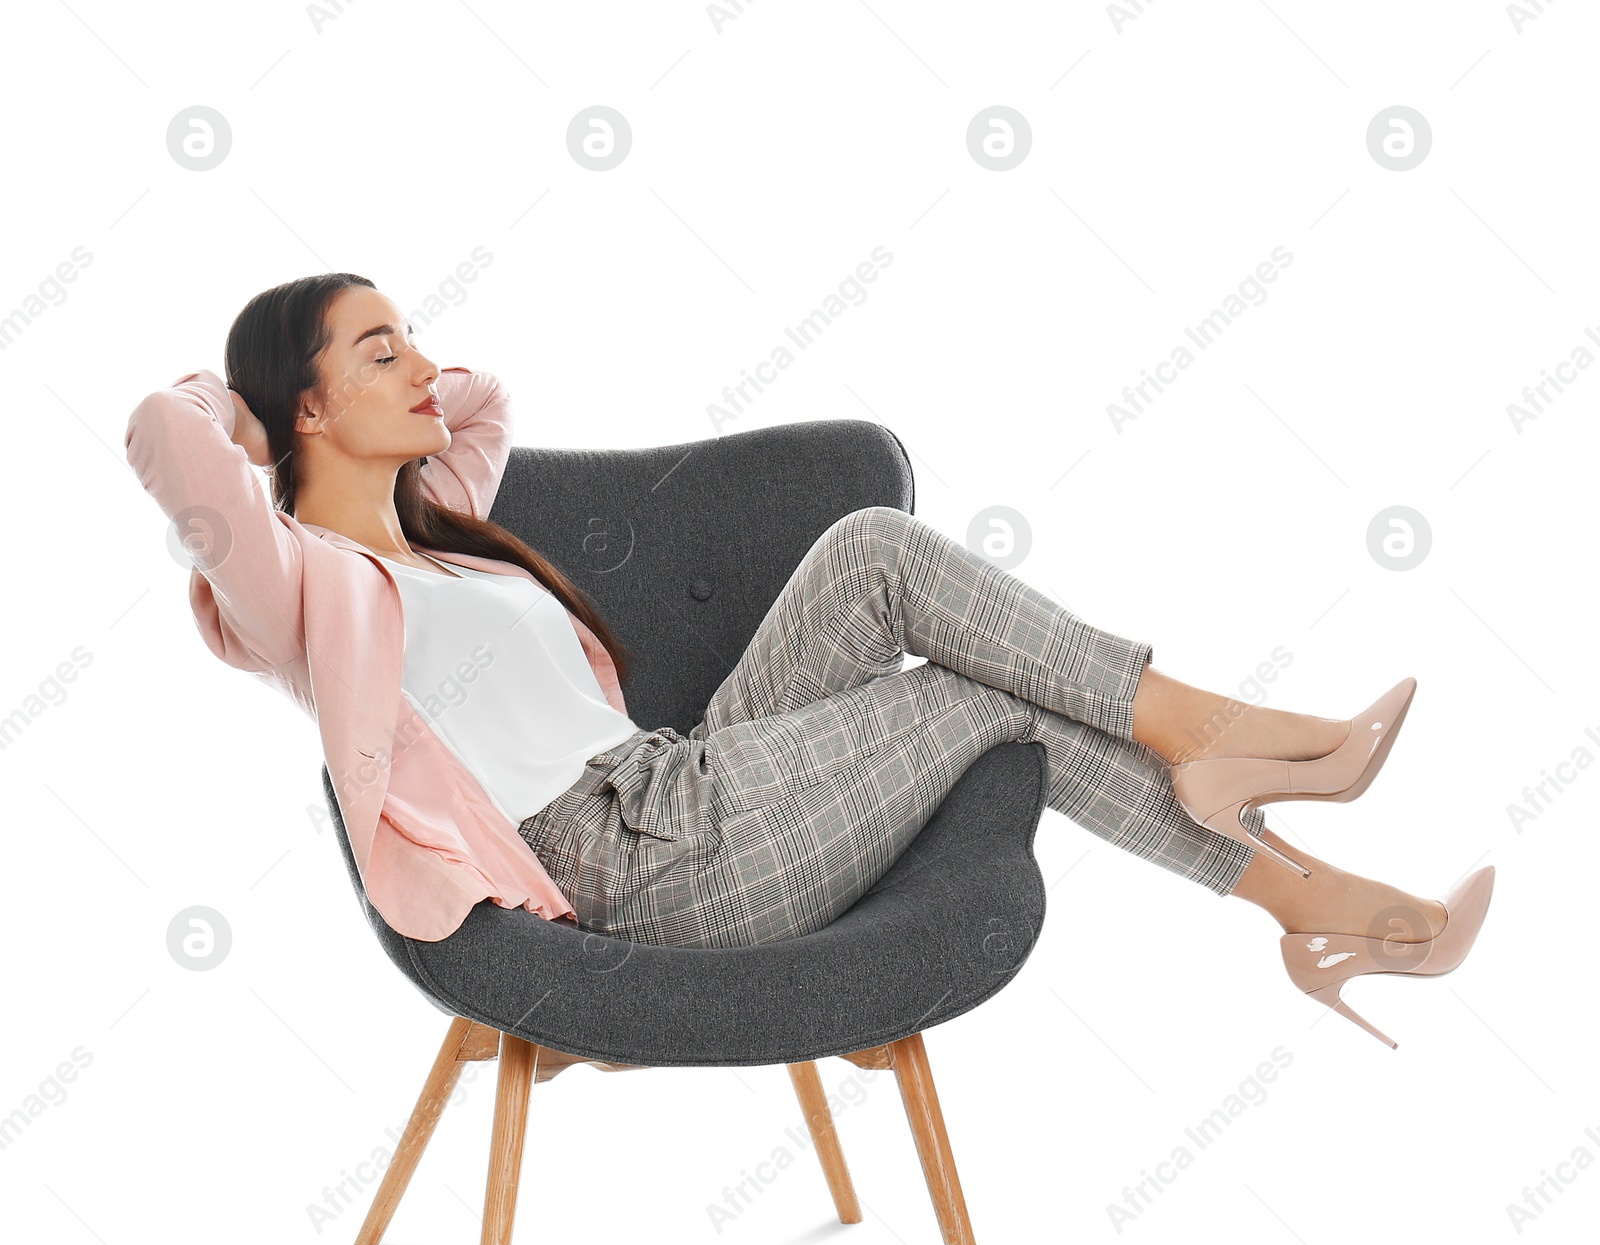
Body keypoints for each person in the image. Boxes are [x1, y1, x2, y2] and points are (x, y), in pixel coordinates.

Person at [124, 272, 1493, 1050]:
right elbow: (159, 436)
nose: (427, 365)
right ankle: (1274, 826)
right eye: (383, 351)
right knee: (978, 703)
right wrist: (243, 427)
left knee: (874, 549)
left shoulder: (455, 534)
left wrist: (368, 383)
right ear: (303, 408)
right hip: (637, 862)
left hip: (681, 780)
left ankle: (1291, 858)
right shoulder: (296, 589)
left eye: (412, 334)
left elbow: (483, 403)